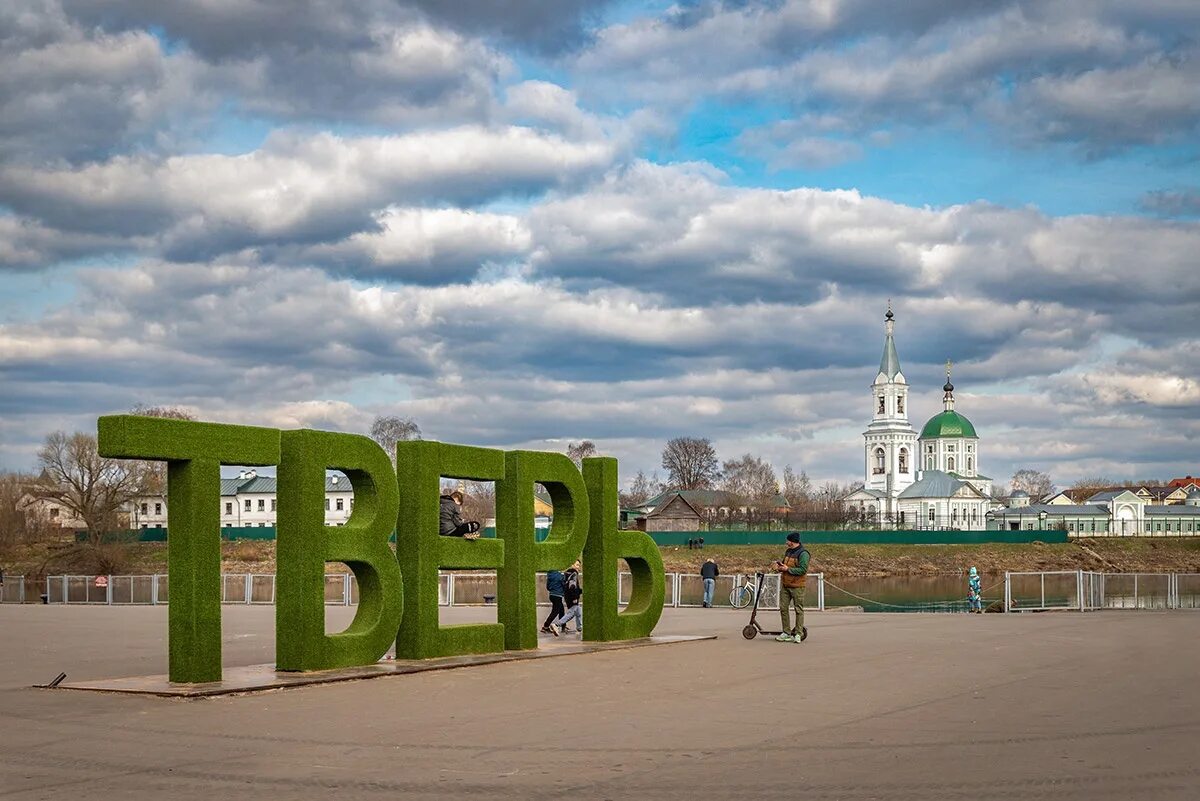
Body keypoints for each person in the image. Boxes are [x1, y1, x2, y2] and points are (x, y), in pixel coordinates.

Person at [775, 532, 809, 642]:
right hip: (785, 585)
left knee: (798, 609)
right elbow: (785, 564)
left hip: (798, 586)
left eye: (787, 540)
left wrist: (787, 569)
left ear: (792, 541)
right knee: (783, 608)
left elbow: (803, 570)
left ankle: (798, 633)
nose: (786, 542)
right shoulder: (788, 551)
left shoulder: (803, 553)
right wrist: (779, 567)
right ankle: (786, 632)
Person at [554, 560, 583, 634]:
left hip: (568, 596)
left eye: (579, 565)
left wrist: (580, 591)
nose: (578, 567)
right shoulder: (573, 574)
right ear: (572, 565)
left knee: (578, 611)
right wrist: (575, 597)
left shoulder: (566, 573)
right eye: (577, 565)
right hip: (572, 597)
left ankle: (579, 628)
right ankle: (556, 625)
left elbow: (568, 586)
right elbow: (572, 586)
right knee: (571, 613)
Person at [542, 568, 566, 635]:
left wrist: (552, 589)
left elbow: (548, 587)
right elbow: (564, 585)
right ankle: (545, 626)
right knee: (555, 612)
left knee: (561, 610)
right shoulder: (560, 576)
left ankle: (563, 626)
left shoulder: (550, 575)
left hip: (552, 595)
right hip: (558, 596)